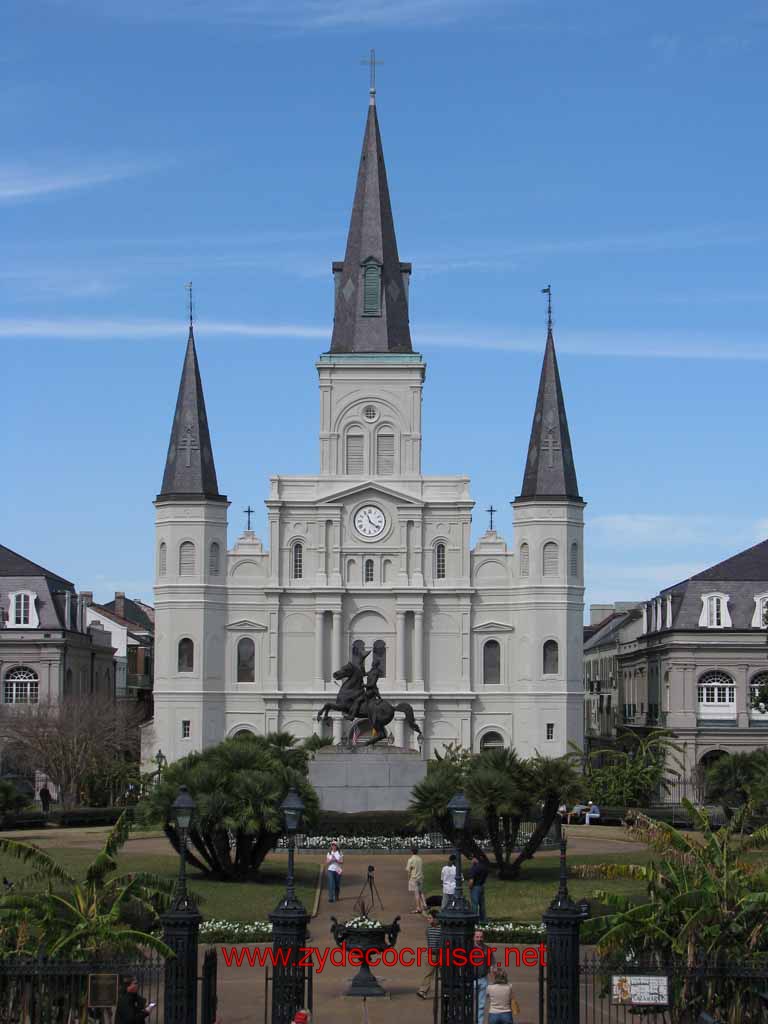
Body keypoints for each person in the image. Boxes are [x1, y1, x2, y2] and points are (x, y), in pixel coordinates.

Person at [416, 910, 442, 999]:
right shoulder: (428, 929)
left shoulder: (441, 929)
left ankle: (447, 991)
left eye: (430, 918)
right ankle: (422, 990)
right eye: (428, 918)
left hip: (442, 955)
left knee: (445, 974)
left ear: (436, 919)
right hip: (431, 954)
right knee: (428, 973)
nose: (428, 920)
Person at [473, 928, 490, 1024]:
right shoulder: (469, 949)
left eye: (481, 937)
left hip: (483, 979)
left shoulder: (487, 949)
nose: (479, 939)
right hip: (471, 980)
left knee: (481, 1005)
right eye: (477, 937)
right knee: (468, 1004)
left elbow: (491, 964)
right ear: (473, 937)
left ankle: (479, 1022)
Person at [406, 844, 426, 913]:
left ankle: (418, 908)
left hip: (414, 878)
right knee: (421, 892)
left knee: (416, 893)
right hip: (420, 877)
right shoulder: (420, 859)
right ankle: (424, 905)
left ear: (411, 851)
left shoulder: (411, 860)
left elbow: (409, 870)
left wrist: (408, 878)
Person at [467, 854, 488, 921]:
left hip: (475, 887)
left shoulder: (474, 868)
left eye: (472, 859)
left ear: (476, 859)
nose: (472, 860)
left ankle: (474, 920)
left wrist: (470, 887)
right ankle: (483, 919)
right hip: (481, 886)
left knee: (474, 904)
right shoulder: (484, 867)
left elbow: (471, 881)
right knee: (482, 905)